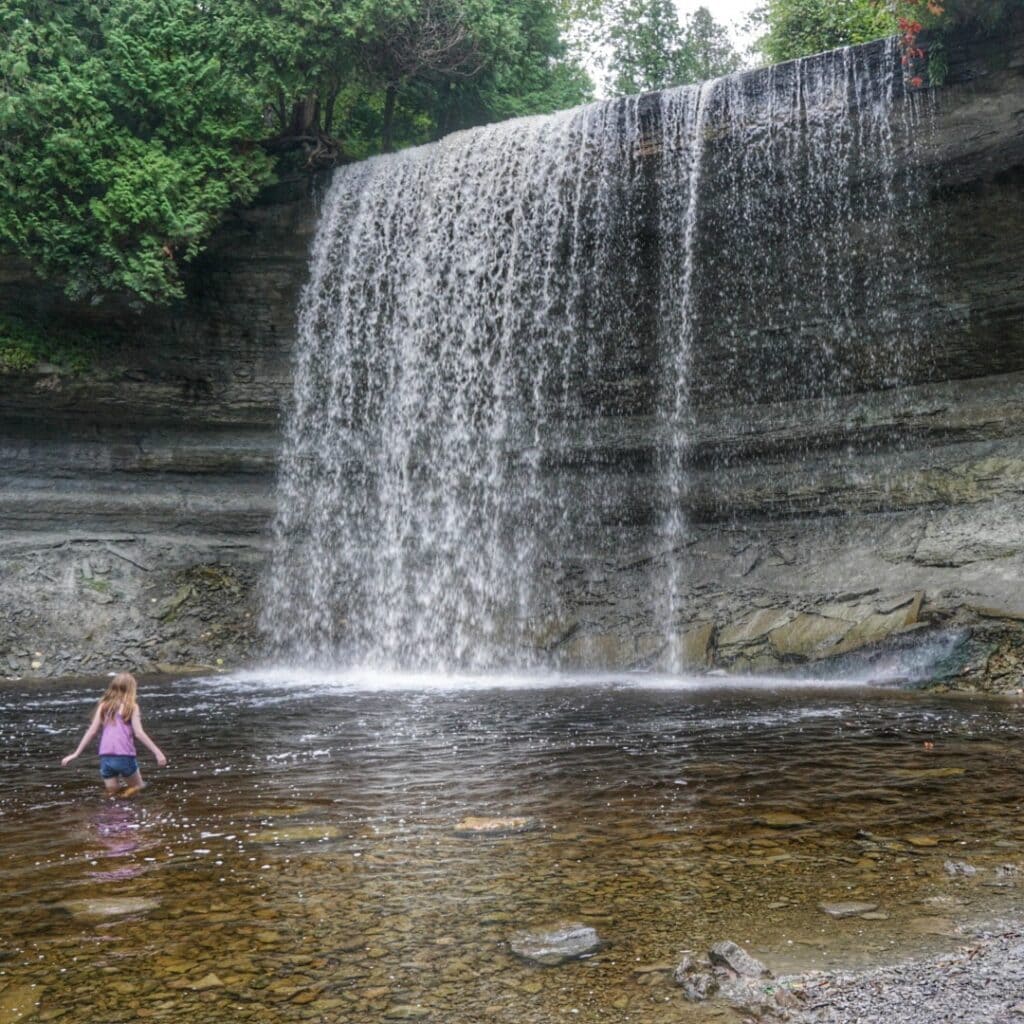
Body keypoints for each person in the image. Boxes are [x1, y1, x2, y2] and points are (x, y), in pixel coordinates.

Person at [61, 672, 167, 797]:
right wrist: (157, 752)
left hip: (105, 757)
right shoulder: (132, 707)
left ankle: (108, 813)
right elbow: (139, 733)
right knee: (139, 786)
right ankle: (126, 795)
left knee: (112, 793)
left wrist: (76, 753)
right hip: (124, 755)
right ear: (131, 689)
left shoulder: (103, 706)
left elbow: (92, 731)